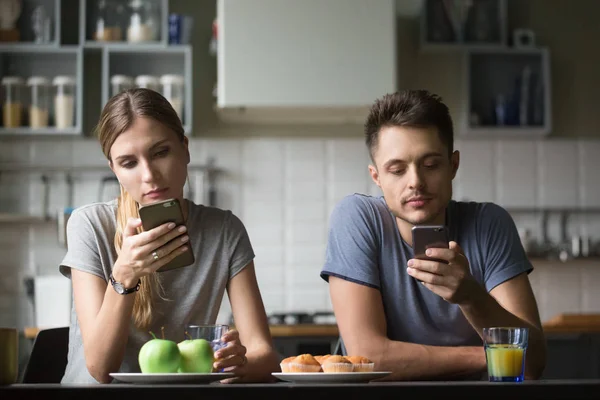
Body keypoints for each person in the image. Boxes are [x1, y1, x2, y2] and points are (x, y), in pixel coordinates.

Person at [320, 89, 546, 381]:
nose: (416, 182)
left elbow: (534, 362)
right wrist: (490, 355)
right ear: (377, 177)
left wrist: (471, 298)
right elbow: (369, 357)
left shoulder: (490, 223)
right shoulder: (356, 217)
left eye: (430, 165)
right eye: (397, 170)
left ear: (453, 165)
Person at [58, 88, 280, 384]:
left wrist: (235, 362)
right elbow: (100, 369)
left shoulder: (225, 231)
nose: (149, 175)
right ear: (114, 170)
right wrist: (126, 273)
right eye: (129, 163)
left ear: (185, 148)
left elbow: (263, 353)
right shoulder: (89, 224)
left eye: (160, 152)